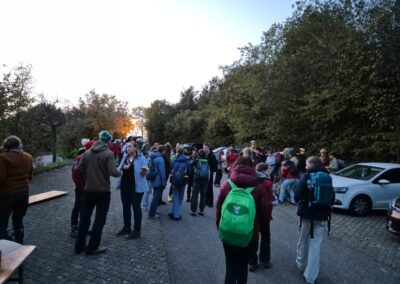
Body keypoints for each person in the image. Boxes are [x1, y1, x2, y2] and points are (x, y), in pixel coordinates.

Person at [216, 151, 267, 284]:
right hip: (249, 233)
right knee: (243, 266)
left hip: (228, 230)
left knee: (230, 266)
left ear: (235, 166)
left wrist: (219, 227)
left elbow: (219, 208)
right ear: (252, 167)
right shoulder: (258, 187)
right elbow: (265, 212)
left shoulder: (227, 185)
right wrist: (258, 229)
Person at [75, 130, 122, 255]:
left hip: (88, 190)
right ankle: (92, 247)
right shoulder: (108, 153)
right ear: (108, 141)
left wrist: (88, 176)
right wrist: (121, 172)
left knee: (84, 218)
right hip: (103, 192)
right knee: (99, 220)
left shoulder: (87, 152)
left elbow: (78, 168)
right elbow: (113, 172)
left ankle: (79, 246)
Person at [295, 156, 335, 284]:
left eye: (307, 163)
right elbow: (332, 197)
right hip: (322, 215)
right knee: (315, 245)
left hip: (307, 214)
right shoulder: (328, 177)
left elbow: (297, 195)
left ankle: (300, 264)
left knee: (303, 239)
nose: (305, 166)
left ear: (312, 163)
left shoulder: (307, 176)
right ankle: (310, 276)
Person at [0, 136, 33, 244]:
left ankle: (5, 245)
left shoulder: (3, 158)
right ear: (19, 144)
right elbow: (30, 176)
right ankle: (19, 242)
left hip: (7, 195)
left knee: (2, 222)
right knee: (18, 219)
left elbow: (1, 178)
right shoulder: (28, 156)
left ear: (7, 146)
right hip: (24, 193)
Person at [116, 141, 149, 239]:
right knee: (126, 208)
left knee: (136, 208)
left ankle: (137, 231)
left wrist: (143, 171)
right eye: (127, 146)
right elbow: (118, 169)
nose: (128, 148)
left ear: (135, 148)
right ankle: (127, 227)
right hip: (125, 187)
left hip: (136, 188)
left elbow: (146, 171)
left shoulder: (141, 158)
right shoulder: (125, 157)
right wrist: (123, 167)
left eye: (130, 146)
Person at [249, 163, 275, 272]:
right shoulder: (267, 183)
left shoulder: (251, 181)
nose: (270, 171)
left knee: (253, 237)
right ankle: (265, 260)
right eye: (269, 169)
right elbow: (270, 200)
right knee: (265, 236)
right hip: (264, 214)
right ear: (264, 170)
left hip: (252, 213)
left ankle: (252, 262)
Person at [70, 139, 94, 238]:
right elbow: (75, 174)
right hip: (82, 189)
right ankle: (74, 228)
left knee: (85, 209)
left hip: (88, 189)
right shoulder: (81, 158)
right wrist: (81, 186)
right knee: (78, 207)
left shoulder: (90, 157)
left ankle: (82, 227)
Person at [168, 147, 191, 221]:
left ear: (177, 153)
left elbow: (170, 170)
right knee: (180, 197)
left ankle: (174, 213)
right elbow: (190, 172)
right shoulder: (187, 161)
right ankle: (175, 213)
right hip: (183, 181)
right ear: (183, 153)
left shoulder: (174, 161)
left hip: (175, 181)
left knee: (175, 197)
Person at [148, 145, 167, 219]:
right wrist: (164, 182)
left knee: (154, 197)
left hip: (153, 179)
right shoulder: (160, 159)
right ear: (162, 151)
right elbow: (162, 172)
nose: (165, 152)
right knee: (155, 198)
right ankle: (151, 214)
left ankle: (153, 211)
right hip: (158, 181)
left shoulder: (152, 156)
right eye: (165, 151)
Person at [189, 149, 209, 216]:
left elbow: (190, 165)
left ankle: (193, 211)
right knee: (203, 195)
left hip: (197, 178)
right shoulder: (207, 161)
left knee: (195, 195)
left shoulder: (197, 160)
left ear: (198, 154)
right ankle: (201, 210)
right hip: (205, 179)